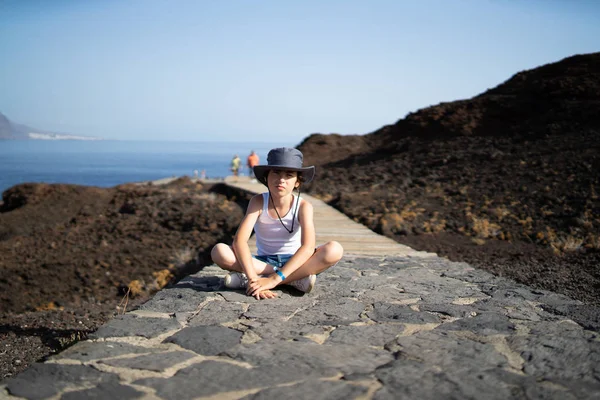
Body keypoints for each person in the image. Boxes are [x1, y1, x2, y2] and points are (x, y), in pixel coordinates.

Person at [211, 147, 344, 300]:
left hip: (295, 261)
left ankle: (264, 280)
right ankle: (292, 280)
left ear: (297, 183)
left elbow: (307, 248)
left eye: (289, 175)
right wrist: (253, 276)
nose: (281, 180)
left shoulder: (303, 206)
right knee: (219, 251)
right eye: (276, 173)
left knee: (334, 250)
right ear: (266, 177)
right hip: (263, 262)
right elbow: (240, 241)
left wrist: (274, 279)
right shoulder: (258, 202)